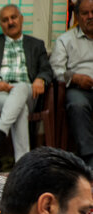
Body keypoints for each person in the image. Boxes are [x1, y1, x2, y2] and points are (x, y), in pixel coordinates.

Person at [0, 4, 53, 162]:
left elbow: (47, 69)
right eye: (5, 20)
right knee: (20, 108)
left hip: (29, 93)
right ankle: (23, 163)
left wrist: (41, 79)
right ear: (1, 24)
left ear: (21, 19)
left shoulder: (36, 44)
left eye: (13, 17)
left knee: (22, 87)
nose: (10, 22)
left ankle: (0, 131)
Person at [50, 0, 93, 168]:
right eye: (85, 13)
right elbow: (56, 69)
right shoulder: (65, 40)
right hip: (79, 88)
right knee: (77, 104)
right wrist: (75, 78)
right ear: (76, 16)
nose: (90, 16)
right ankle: (90, 158)